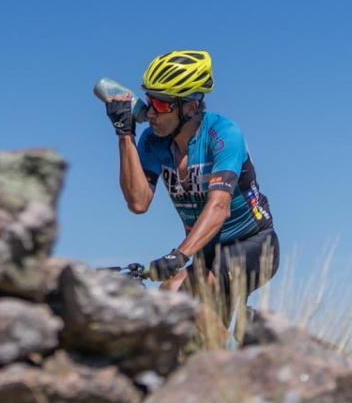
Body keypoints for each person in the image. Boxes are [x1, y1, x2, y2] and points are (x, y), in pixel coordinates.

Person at [104, 49, 280, 306]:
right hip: (206, 251)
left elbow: (219, 207)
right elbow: (138, 202)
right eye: (150, 101)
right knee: (168, 300)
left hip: (254, 243)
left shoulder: (223, 134)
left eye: (162, 104)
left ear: (190, 106)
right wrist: (125, 135)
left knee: (195, 291)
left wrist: (178, 256)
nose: (151, 113)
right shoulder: (153, 141)